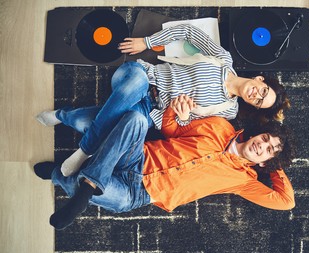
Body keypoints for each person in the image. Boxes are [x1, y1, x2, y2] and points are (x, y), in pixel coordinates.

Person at [36, 24, 289, 177]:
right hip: (143, 78)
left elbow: (189, 129)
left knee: (88, 121)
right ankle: (86, 150)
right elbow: (188, 32)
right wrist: (147, 42)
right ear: (259, 79)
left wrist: (183, 116)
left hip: (152, 113)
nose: (256, 96)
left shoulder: (229, 111)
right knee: (132, 86)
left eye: (259, 103)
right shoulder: (224, 59)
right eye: (263, 92)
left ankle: (62, 115)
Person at [34, 95, 296, 230]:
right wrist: (175, 112)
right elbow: (171, 130)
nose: (262, 146)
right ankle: (87, 182)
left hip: (139, 193)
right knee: (136, 119)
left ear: (265, 163)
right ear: (257, 134)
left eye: (268, 150)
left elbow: (286, 201)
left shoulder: (245, 182)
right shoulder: (220, 125)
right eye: (265, 138)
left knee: (83, 186)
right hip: (139, 156)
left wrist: (277, 162)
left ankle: (62, 176)